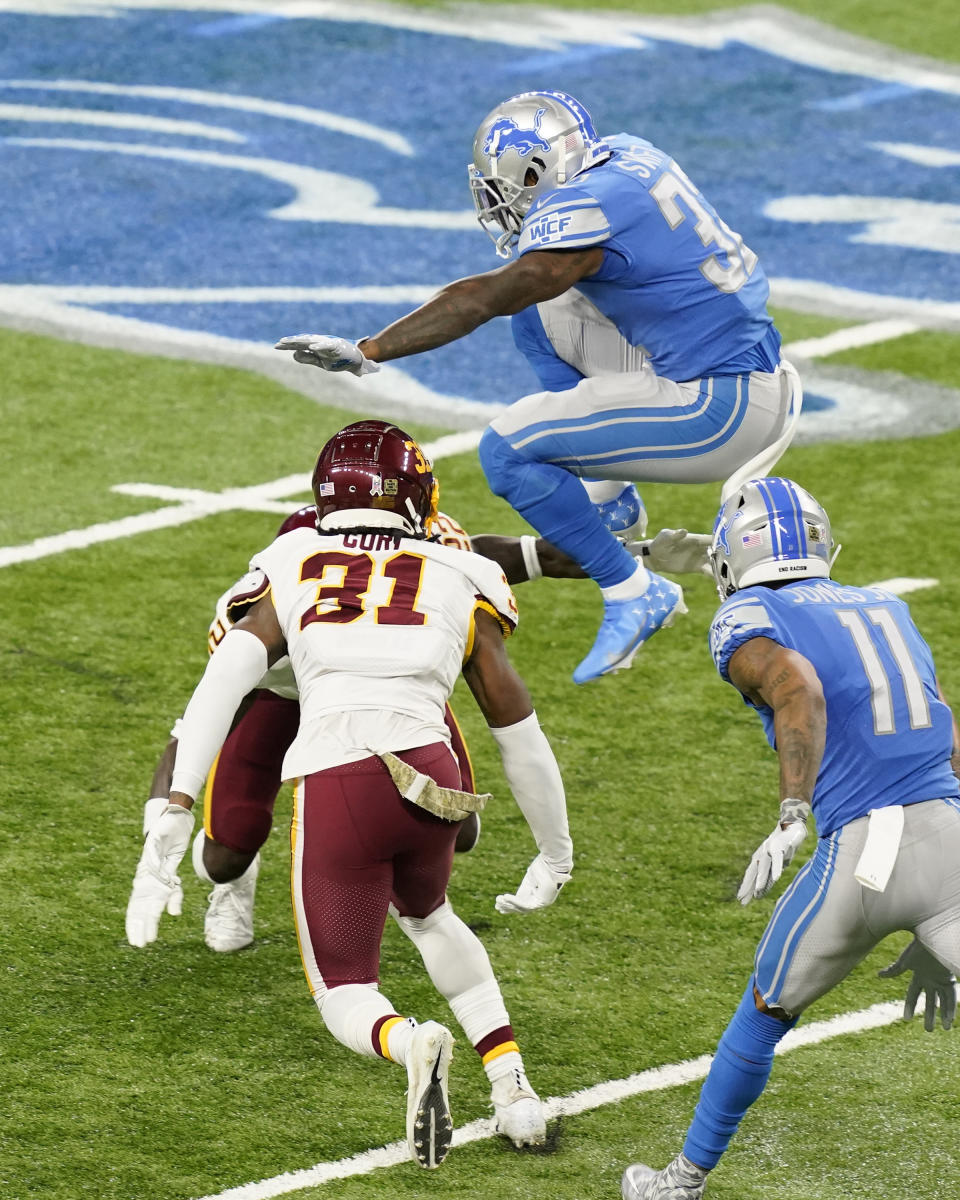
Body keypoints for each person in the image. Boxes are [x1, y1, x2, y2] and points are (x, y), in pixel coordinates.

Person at [127, 419, 577, 1170]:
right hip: (428, 765)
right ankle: (513, 1088)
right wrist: (556, 853)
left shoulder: (292, 560)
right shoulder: (454, 569)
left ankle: (411, 1042)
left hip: (339, 767)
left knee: (345, 988)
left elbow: (221, 681)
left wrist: (173, 807)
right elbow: (517, 728)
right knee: (431, 918)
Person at [274, 90, 800, 685]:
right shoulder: (628, 156)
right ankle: (611, 500)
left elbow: (483, 296)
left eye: (507, 185)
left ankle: (632, 591)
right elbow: (524, 291)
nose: (500, 204)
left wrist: (369, 350)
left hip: (721, 405)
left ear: (535, 169)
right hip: (734, 367)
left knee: (507, 452)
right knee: (537, 312)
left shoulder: (587, 208)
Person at [128, 495, 711, 957]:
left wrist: (635, 557)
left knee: (456, 830)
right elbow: (198, 720)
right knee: (226, 851)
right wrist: (165, 823)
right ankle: (236, 880)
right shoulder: (266, 607)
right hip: (281, 699)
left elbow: (514, 555)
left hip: (389, 692)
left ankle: (368, 876)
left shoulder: (432, 553)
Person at [621, 477, 960, 1200]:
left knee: (764, 1014)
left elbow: (797, 685)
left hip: (863, 858)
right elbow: (946, 729)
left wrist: (791, 814)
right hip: (950, 838)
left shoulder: (748, 611)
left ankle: (680, 1183)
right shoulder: (886, 605)